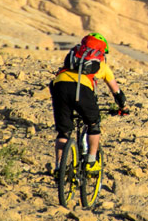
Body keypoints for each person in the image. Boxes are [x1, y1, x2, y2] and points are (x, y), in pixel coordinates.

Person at [50, 32, 129, 173]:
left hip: (59, 86)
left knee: (63, 132)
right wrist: (123, 107)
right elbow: (117, 92)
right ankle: (91, 162)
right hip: (82, 89)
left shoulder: (74, 57)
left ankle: (58, 167)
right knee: (93, 124)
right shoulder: (102, 65)